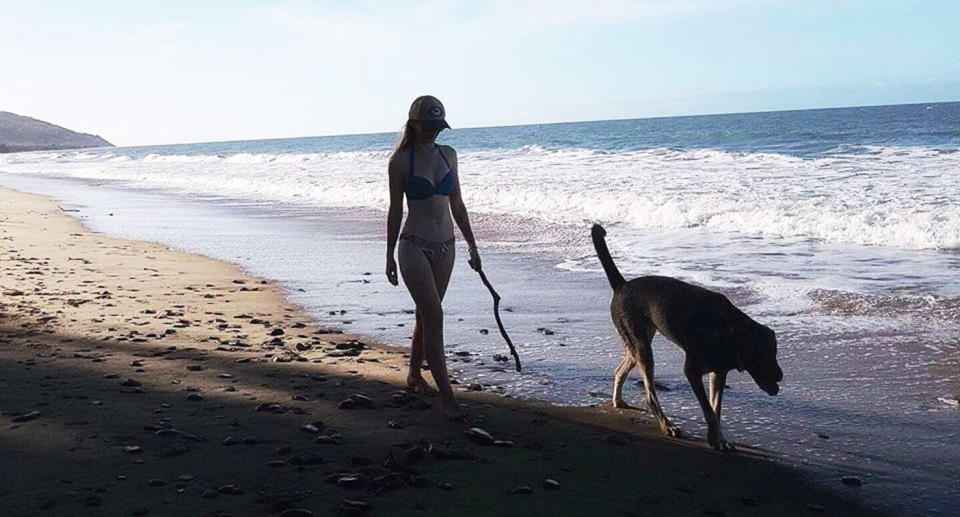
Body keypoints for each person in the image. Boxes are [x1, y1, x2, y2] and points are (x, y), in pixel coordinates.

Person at [385, 95, 480, 420]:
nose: (433, 132)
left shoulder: (448, 154)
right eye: (428, 126)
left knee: (425, 315)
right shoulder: (400, 162)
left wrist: (472, 245)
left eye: (438, 126)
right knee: (435, 315)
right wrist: (389, 255)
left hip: (446, 247)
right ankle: (448, 398)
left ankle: (414, 374)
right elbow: (395, 210)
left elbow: (458, 204)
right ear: (414, 124)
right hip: (413, 245)